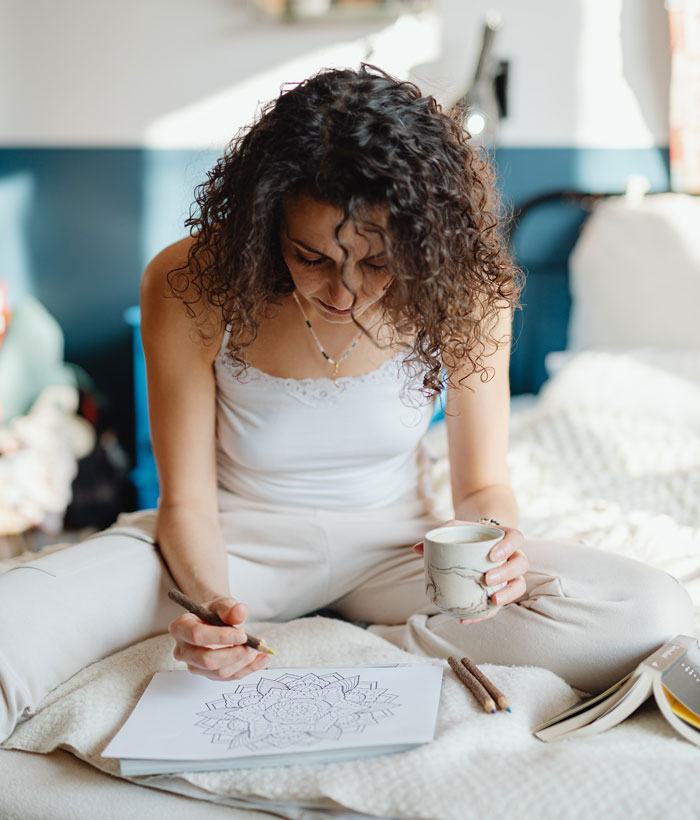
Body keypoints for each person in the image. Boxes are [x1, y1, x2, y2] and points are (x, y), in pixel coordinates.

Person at [0, 65, 693, 742]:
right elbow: (186, 505)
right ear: (266, 226)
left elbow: (482, 483)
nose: (343, 292)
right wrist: (215, 610)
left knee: (649, 611)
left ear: (423, 244)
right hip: (232, 546)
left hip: (400, 554)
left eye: (377, 263)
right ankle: (364, 633)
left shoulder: (468, 292)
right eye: (312, 258)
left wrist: (496, 548)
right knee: (15, 618)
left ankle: (392, 636)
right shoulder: (191, 282)